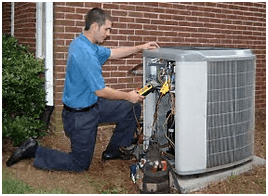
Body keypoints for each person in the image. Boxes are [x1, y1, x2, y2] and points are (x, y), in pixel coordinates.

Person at [6, 8, 159, 172]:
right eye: (107, 29)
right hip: (80, 117)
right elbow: (101, 91)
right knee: (79, 164)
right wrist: (128, 95)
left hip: (94, 105)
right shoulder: (85, 53)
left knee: (132, 108)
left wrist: (141, 47)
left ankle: (114, 151)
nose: (108, 34)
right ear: (95, 26)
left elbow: (113, 53)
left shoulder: (85, 43)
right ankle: (34, 150)